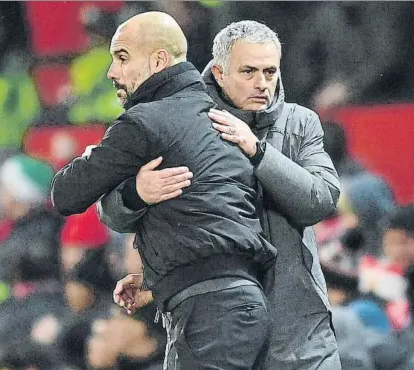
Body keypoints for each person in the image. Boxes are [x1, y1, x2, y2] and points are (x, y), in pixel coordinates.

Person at [99, 20, 342, 370]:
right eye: (248, 71)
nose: (262, 83)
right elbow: (112, 212)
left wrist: (258, 151)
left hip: (300, 339)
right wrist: (137, 193)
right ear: (219, 73)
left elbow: (320, 200)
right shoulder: (179, 123)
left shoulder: (299, 123)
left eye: (270, 71)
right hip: (213, 333)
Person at [50, 12, 276, 370]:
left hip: (211, 312)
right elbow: (207, 219)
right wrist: (157, 274)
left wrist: (94, 157)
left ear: (158, 61)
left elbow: (66, 194)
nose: (112, 71)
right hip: (238, 304)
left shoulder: (145, 122)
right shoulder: (223, 117)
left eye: (122, 57)